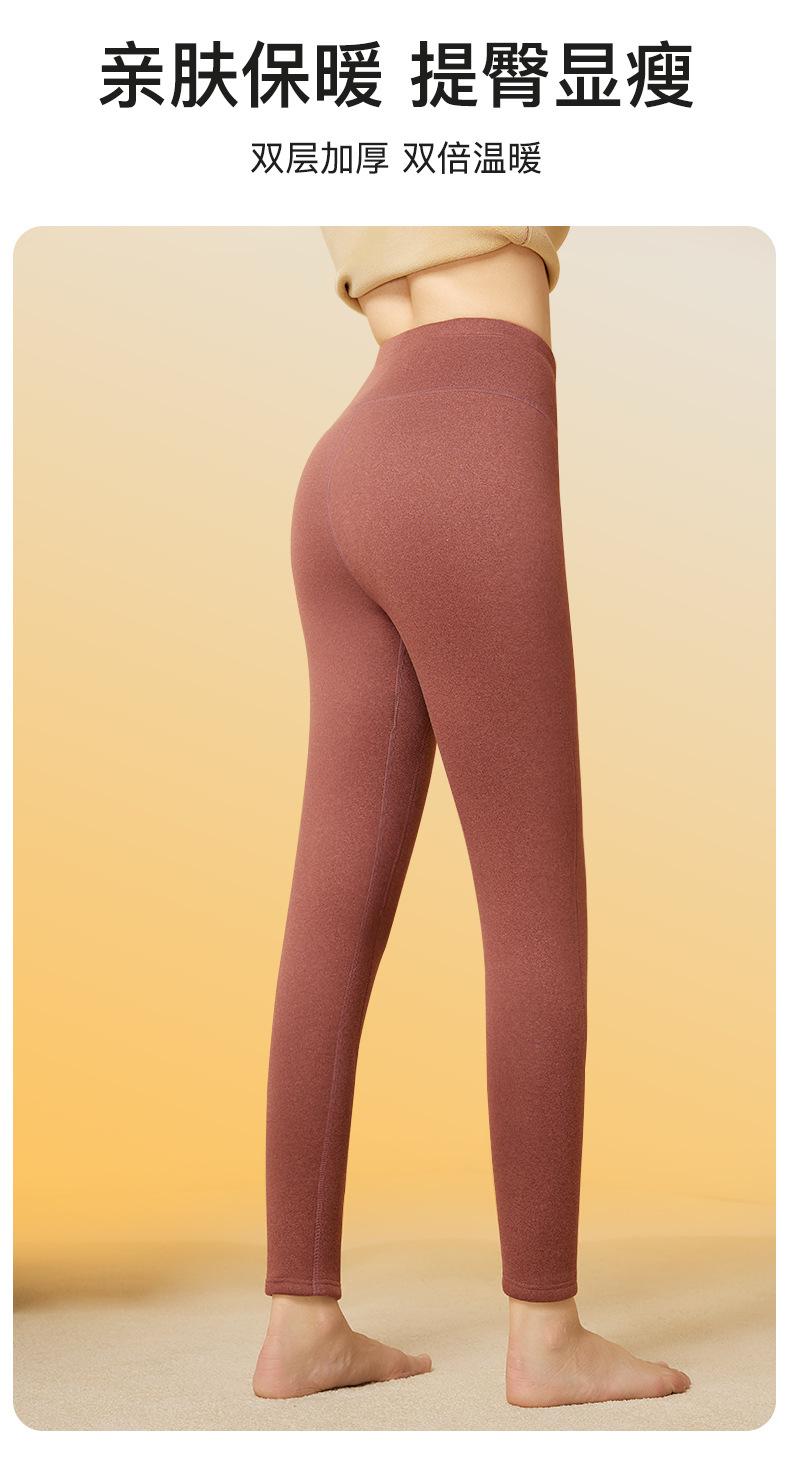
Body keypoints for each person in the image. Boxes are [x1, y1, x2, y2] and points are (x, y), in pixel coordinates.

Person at [252, 227, 691, 1408]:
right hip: (466, 440)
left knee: (329, 916)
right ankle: (546, 1334)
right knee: (534, 903)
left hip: (349, 455)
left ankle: (300, 1324)